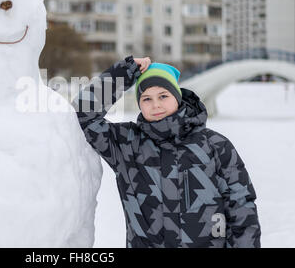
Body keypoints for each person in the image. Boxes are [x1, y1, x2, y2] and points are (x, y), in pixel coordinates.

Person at [71, 55, 261, 248]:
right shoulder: (126, 144)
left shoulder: (215, 146)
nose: (156, 105)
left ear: (177, 97)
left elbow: (241, 208)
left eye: (163, 96)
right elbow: (82, 116)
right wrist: (123, 73)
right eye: (146, 99)